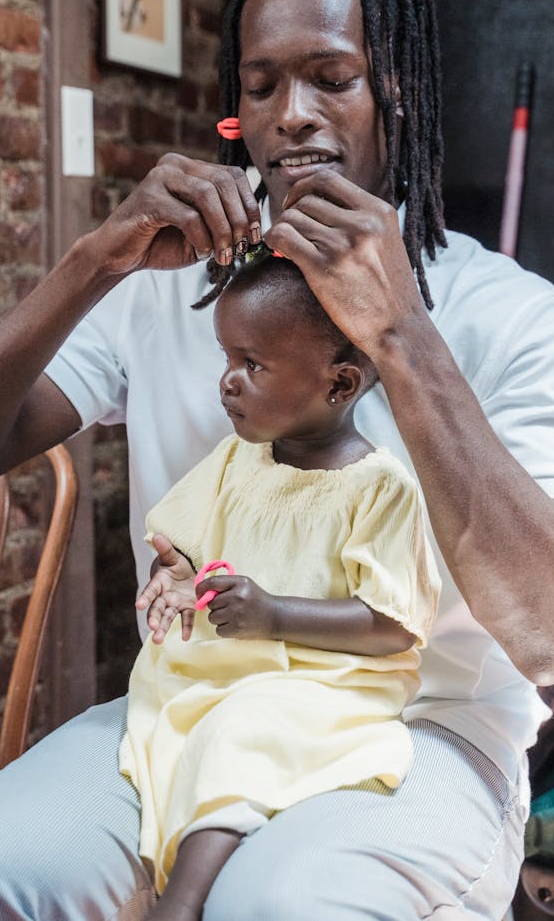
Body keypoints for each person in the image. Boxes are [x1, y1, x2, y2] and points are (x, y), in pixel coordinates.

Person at [0, 0, 554, 920]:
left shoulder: (510, 311)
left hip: (424, 728)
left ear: (400, 90)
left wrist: (400, 331)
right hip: (190, 706)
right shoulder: (173, 293)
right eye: (260, 85)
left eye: (331, 77)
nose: (291, 116)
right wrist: (97, 260)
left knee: (276, 903)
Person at [122, 250, 440, 918]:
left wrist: (272, 614)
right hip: (238, 665)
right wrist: (172, 570)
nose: (227, 383)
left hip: (331, 682)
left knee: (241, 728)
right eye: (226, 359)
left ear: (339, 384)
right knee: (182, 700)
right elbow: (181, 541)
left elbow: (392, 624)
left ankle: (181, 899)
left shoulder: (378, 489)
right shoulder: (238, 459)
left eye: (252, 365)